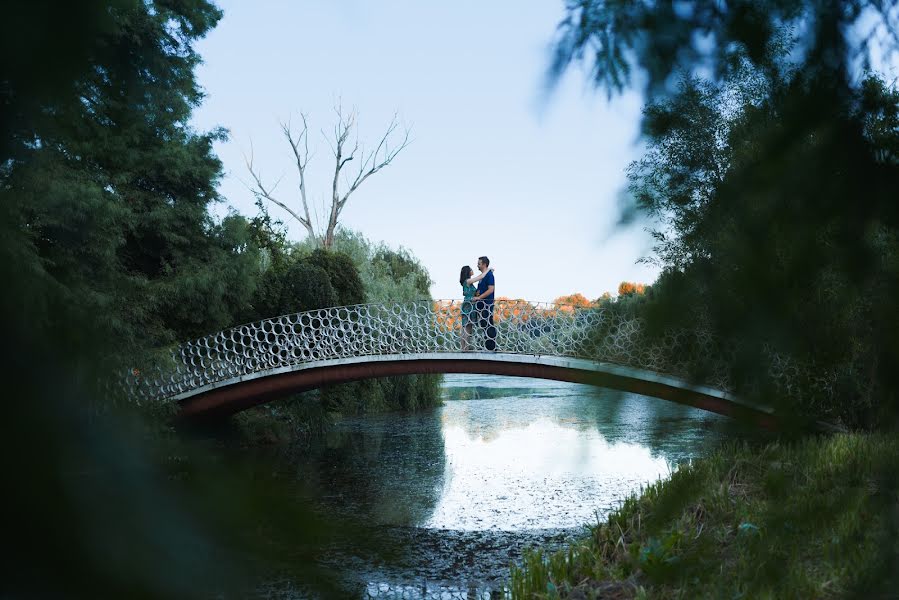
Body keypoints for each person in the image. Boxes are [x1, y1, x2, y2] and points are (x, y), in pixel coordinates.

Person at [459, 264, 493, 351]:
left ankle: (465, 347)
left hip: (471, 304)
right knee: (466, 326)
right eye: (470, 269)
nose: (472, 270)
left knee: (468, 326)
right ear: (468, 272)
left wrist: (477, 294)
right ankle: (464, 348)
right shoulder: (468, 281)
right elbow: (480, 277)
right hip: (469, 305)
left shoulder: (468, 282)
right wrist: (488, 270)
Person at [472, 256, 497, 351]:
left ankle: (491, 348)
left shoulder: (489, 275)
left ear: (484, 264)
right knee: (484, 325)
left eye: (479, 263)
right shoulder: (482, 276)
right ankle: (488, 347)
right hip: (481, 305)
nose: (477, 265)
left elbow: (491, 289)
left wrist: (479, 298)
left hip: (486, 305)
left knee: (488, 324)